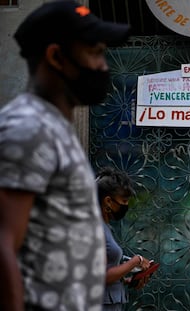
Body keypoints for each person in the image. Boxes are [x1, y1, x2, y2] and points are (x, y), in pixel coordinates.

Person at [0, 1, 130, 310]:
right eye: (94, 52)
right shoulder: (28, 128)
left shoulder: (54, 129)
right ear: (57, 56)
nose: (103, 65)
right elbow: (3, 241)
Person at [96, 167, 152, 311]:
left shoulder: (106, 228)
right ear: (108, 201)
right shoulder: (95, 229)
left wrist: (129, 279)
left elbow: (109, 269)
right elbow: (102, 276)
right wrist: (136, 260)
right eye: (124, 200)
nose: (126, 206)